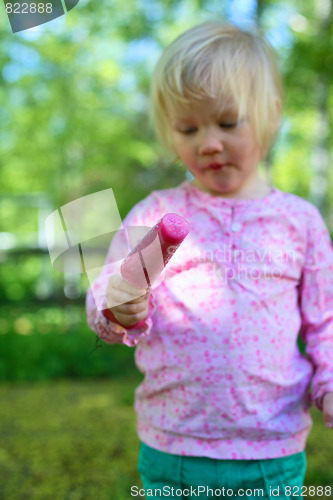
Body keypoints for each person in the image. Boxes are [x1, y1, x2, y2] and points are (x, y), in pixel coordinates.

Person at [86, 21, 333, 499]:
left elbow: (326, 322)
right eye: (188, 128)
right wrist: (117, 305)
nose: (208, 142)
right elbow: (107, 295)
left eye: (227, 122)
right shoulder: (159, 214)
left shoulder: (299, 222)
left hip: (272, 452)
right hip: (173, 445)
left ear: (271, 116)